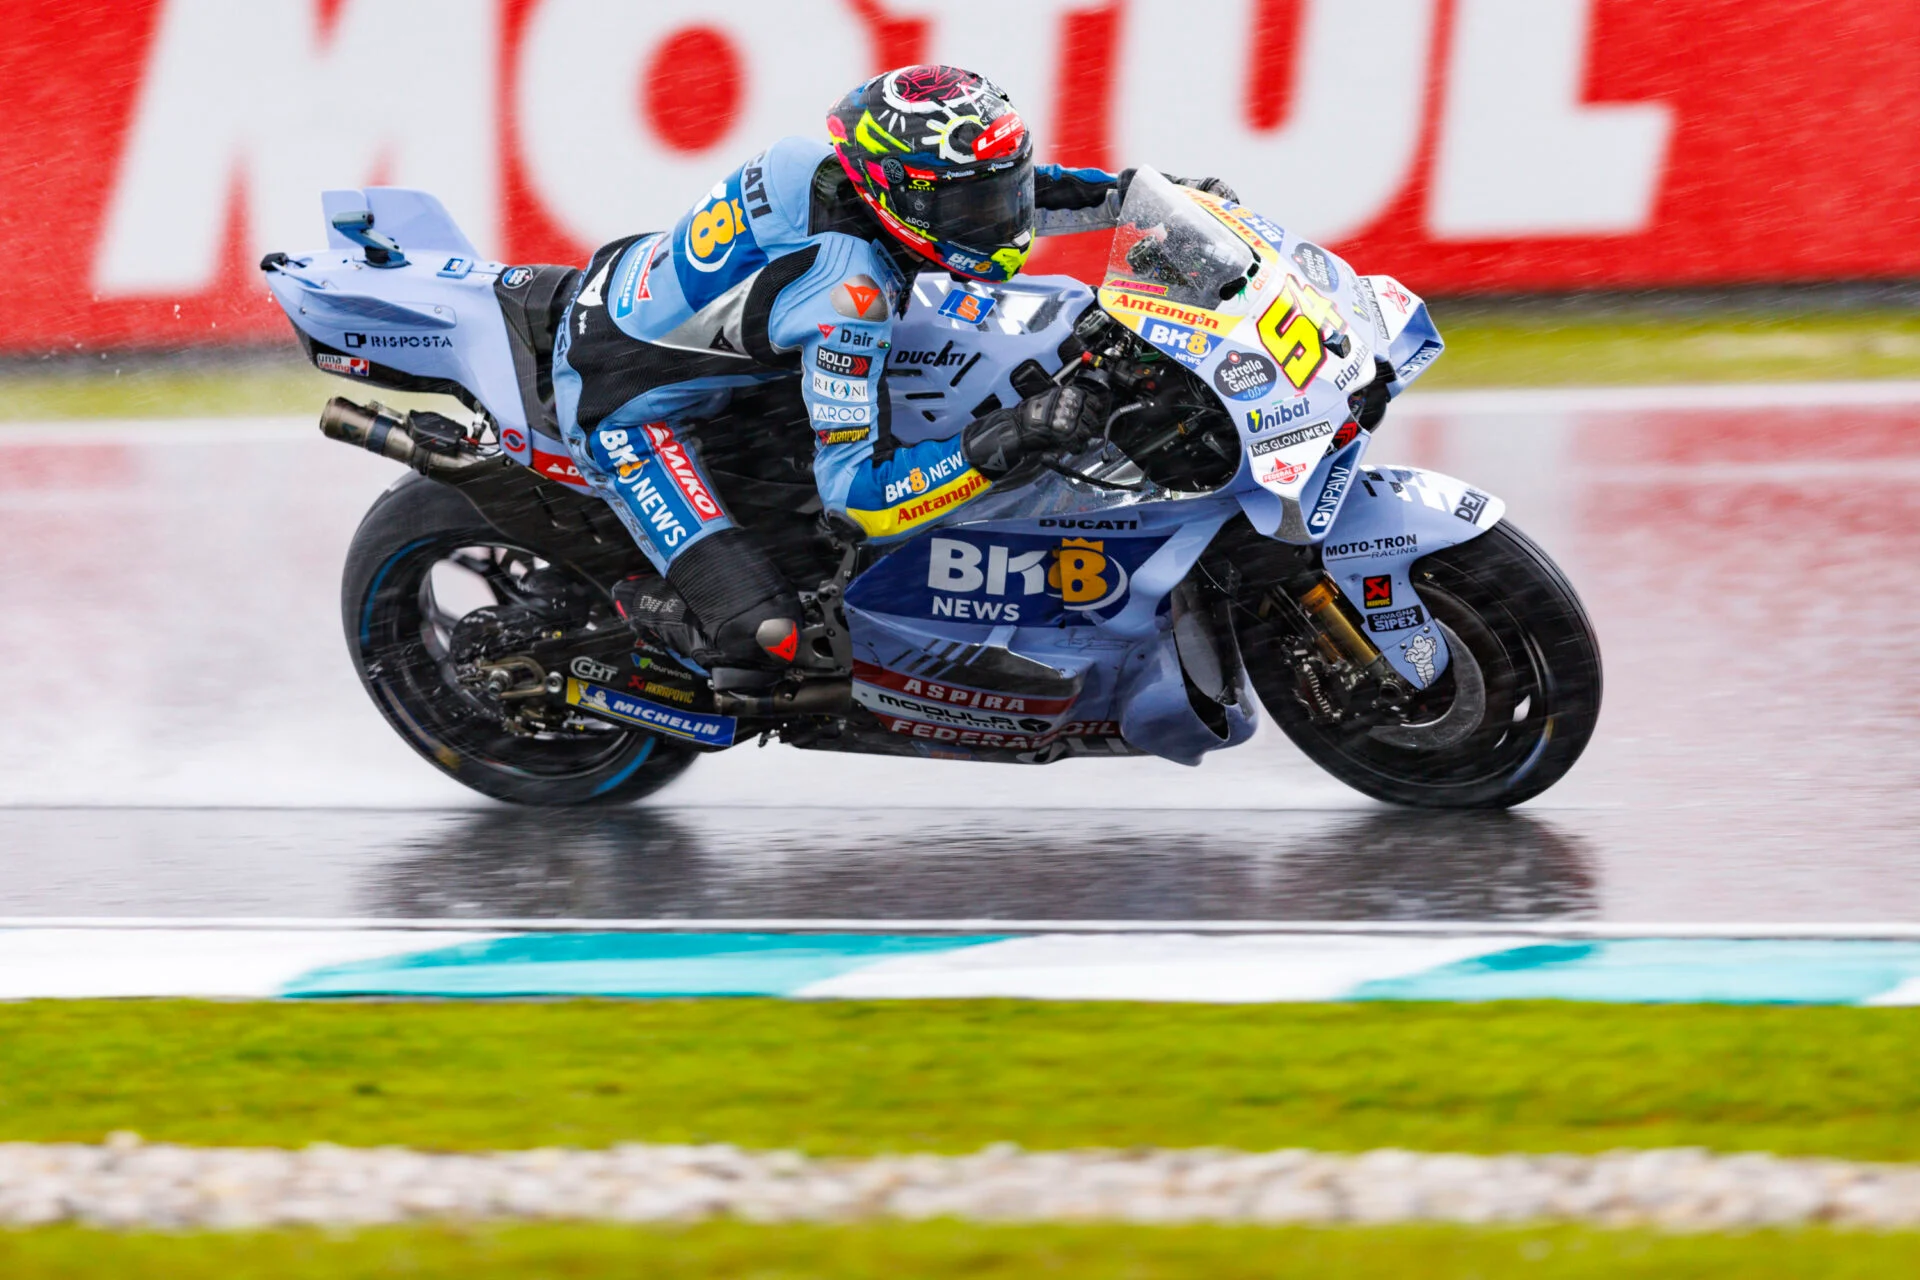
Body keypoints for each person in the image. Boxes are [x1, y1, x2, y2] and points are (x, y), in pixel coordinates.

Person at [552, 64, 1234, 673]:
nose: (999, 219)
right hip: (624, 407)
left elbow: (1023, 191)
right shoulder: (849, 295)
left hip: (665, 317)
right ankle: (638, 608)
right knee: (769, 638)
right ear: (897, 194)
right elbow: (857, 498)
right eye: (973, 207)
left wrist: (1161, 198)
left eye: (996, 191)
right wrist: (1009, 433)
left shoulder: (828, 169)